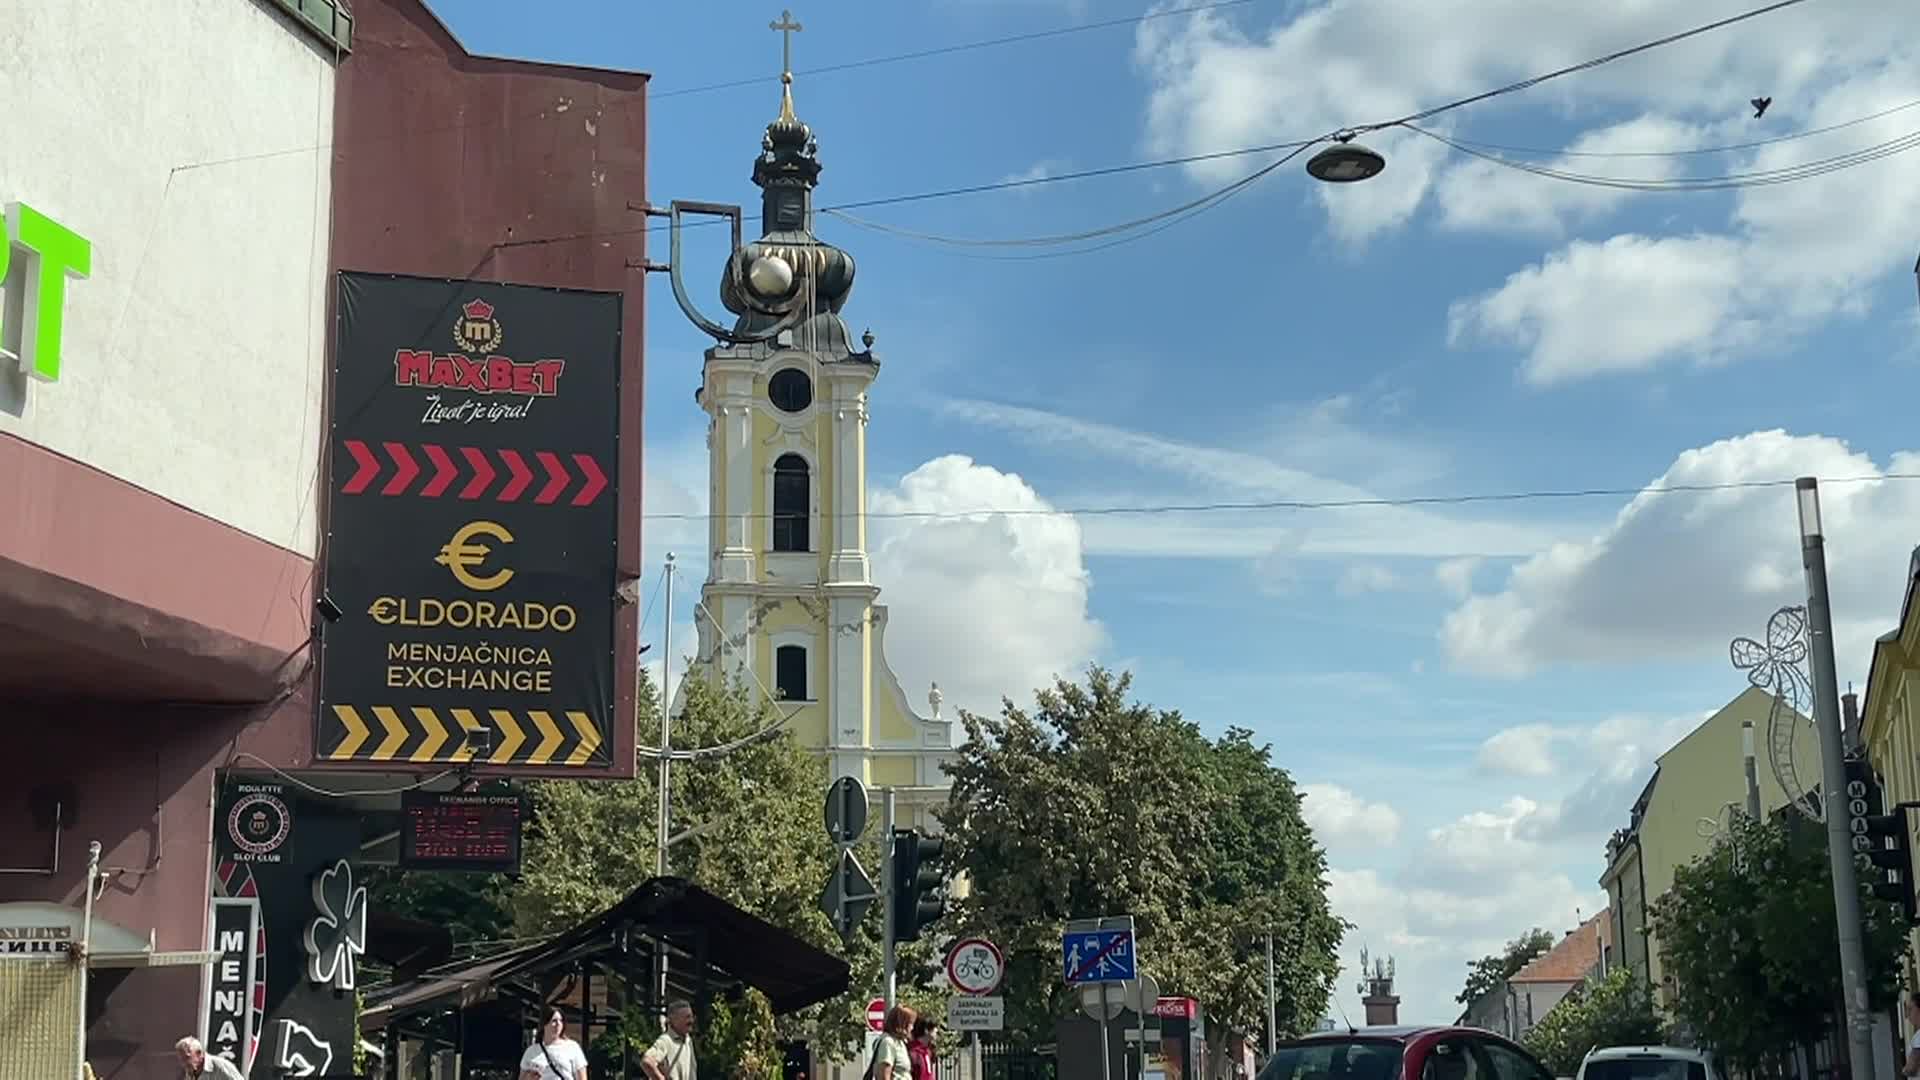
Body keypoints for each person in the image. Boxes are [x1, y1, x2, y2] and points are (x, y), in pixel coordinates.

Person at [520, 1008, 589, 1080]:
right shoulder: (531, 1051)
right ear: (545, 1024)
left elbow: (582, 1077)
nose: (558, 1024)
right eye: (554, 1021)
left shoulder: (572, 1047)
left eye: (561, 1020)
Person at [642, 1000, 698, 1080]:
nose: (691, 1021)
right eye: (687, 1017)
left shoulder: (688, 1040)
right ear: (675, 1019)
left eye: (691, 1017)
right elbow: (646, 1062)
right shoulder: (666, 1040)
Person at [865, 1005, 915, 1080]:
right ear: (902, 1023)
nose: (912, 1028)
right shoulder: (888, 1042)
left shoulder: (899, 1042)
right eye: (910, 1023)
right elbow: (884, 1075)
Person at [175, 1037, 244, 1080]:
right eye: (181, 1059)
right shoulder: (188, 1075)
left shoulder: (220, 1066)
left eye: (187, 1058)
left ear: (199, 1053)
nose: (184, 1063)